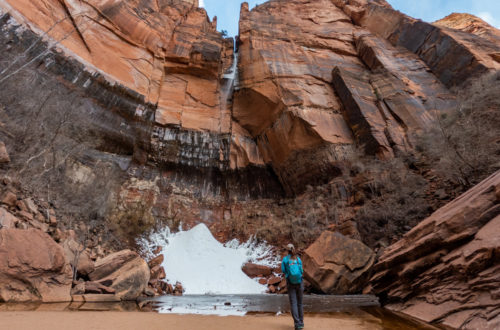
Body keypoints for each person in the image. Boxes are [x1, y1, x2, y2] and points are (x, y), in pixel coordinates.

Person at [281, 243, 304, 329]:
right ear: (294, 249)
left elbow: (283, 270)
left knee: (294, 303)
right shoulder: (298, 259)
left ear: (287, 250)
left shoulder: (285, 260)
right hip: (300, 282)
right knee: (300, 303)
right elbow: (301, 270)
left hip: (290, 283)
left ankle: (297, 324)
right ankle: (301, 323)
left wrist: (288, 274)